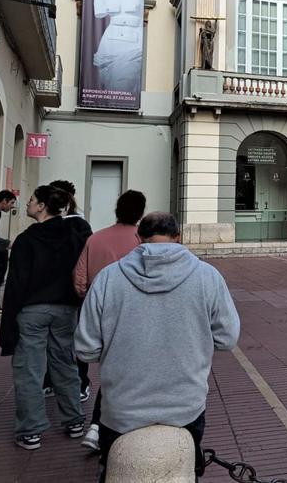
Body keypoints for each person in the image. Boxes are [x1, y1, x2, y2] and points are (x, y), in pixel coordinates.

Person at [75, 212, 240, 481]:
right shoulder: (208, 277)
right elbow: (227, 338)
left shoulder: (108, 278)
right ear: (179, 236)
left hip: (121, 410)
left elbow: (86, 349)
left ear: (138, 237)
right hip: (185, 407)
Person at [0, 185, 88, 450]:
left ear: (41, 206)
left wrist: (9, 323)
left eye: (31, 200)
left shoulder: (27, 240)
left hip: (32, 309)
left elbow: (16, 283)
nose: (27, 203)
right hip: (65, 309)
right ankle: (74, 420)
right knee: (65, 363)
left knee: (30, 369)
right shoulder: (73, 234)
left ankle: (31, 430)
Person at [72, 190, 146, 451]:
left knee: (109, 366)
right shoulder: (141, 241)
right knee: (127, 369)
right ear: (141, 212)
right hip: (132, 312)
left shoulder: (96, 238)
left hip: (98, 310)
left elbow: (80, 280)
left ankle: (96, 425)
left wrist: (89, 298)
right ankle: (104, 425)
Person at [44, 180, 92, 402]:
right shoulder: (82, 226)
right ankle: (80, 382)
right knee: (75, 339)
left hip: (51, 293)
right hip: (74, 292)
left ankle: (51, 381)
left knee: (51, 339)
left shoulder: (47, 228)